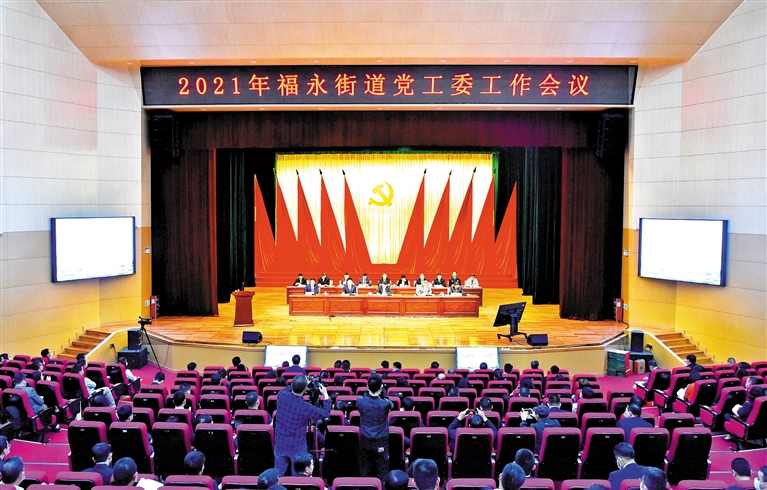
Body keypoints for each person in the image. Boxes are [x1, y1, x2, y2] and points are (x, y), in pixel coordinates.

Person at [274, 375, 331, 476]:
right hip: (297, 446)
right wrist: (325, 394)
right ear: (305, 389)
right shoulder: (305, 407)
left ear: (292, 384)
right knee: (298, 476)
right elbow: (325, 413)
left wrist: (300, 382)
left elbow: (288, 388)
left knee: (278, 473)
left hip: (280, 443)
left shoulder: (281, 395)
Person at [357, 375, 395, 479]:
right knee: (382, 469)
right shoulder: (384, 404)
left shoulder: (360, 402)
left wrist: (369, 392)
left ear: (367, 387)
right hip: (380, 440)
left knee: (365, 469)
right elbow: (391, 405)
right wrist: (383, 393)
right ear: (381, 387)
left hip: (365, 439)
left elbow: (365, 397)